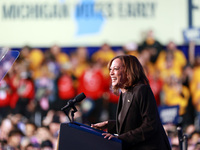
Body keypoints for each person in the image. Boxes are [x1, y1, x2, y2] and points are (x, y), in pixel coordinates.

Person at [91, 55, 171, 150]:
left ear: (128, 71)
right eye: (110, 69)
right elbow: (133, 123)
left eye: (116, 69)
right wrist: (109, 125)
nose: (111, 73)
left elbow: (149, 125)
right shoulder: (124, 93)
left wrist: (120, 138)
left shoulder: (142, 90)